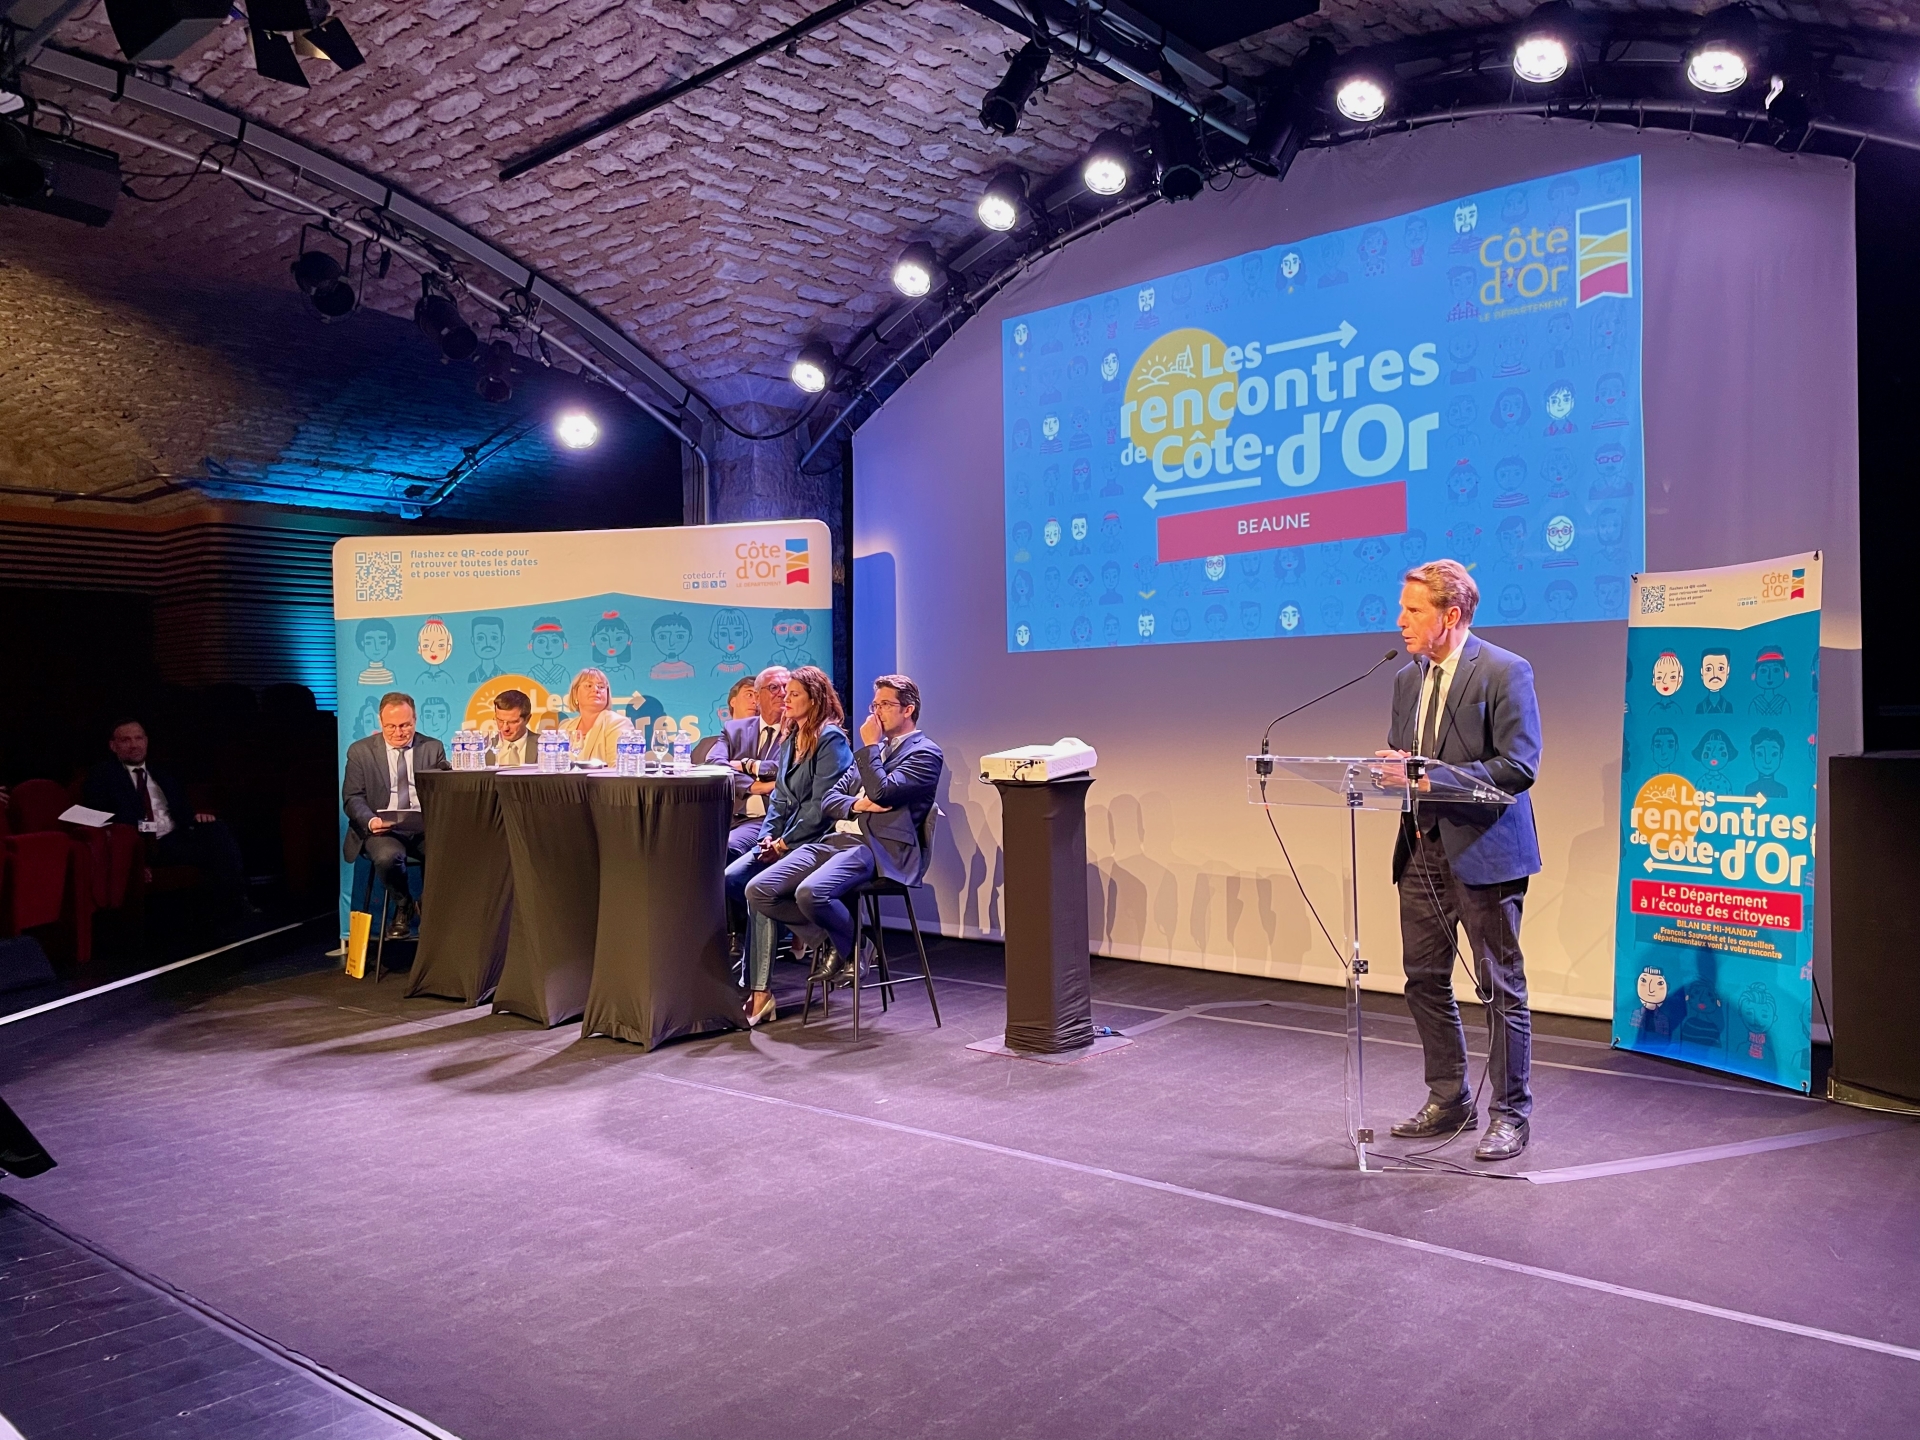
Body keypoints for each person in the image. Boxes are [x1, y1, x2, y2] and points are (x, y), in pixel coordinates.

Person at [1377, 559, 1542, 1162]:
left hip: (1485, 851)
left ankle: (1510, 1115)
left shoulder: (1504, 670)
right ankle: (1449, 1099)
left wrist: (1430, 777)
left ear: (1451, 615)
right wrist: (1391, 771)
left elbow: (1519, 766)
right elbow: (1404, 761)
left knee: (1500, 986)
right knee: (1423, 979)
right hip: (1421, 850)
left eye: (1412, 610)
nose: (1401, 621)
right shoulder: (1407, 679)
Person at [745, 674, 943, 1001]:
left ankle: (848, 945)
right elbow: (830, 800)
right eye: (874, 704)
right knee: (759, 889)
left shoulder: (925, 753)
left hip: (878, 847)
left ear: (908, 709)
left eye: (885, 704)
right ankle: (847, 944)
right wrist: (858, 804)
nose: (876, 712)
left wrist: (870, 749)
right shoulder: (872, 752)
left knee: (811, 892)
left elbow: (882, 792)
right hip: (837, 839)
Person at [723, 667, 853, 1026]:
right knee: (733, 878)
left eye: (794, 694)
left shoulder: (831, 740)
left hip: (818, 840)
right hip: (783, 838)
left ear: (814, 699)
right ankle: (818, 937)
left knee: (759, 890)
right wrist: (767, 838)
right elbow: (779, 799)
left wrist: (785, 843)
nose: (785, 699)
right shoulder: (791, 737)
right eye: (785, 693)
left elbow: (822, 806)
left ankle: (759, 992)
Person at [82, 719, 250, 918]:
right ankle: (230, 909)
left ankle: (236, 903)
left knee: (217, 831)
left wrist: (196, 816)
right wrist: (136, 858)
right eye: (126, 740)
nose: (134, 745)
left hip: (175, 836)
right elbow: (100, 817)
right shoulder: (102, 777)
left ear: (146, 741)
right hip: (143, 843)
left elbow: (182, 809)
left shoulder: (162, 773)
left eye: (138, 738)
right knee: (214, 855)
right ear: (113, 746)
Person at [342, 693, 448, 939]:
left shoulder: (432, 748)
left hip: (423, 828)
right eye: (391, 726)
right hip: (382, 830)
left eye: (405, 725)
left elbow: (442, 794)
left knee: (452, 852)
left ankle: (429, 908)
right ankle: (403, 904)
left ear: (415, 720)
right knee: (388, 857)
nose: (399, 732)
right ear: (380, 722)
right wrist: (371, 821)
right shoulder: (361, 751)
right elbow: (352, 797)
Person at [713, 665, 790, 858]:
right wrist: (754, 786)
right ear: (757, 696)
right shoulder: (734, 729)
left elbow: (789, 767)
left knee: (724, 848)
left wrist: (750, 766)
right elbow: (715, 763)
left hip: (769, 818)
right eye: (774, 688)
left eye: (787, 688)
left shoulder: (798, 732)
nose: (782, 693)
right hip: (729, 815)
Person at [559, 667, 632, 767]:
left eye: (601, 687)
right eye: (589, 686)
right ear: (575, 693)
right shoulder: (565, 728)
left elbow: (618, 768)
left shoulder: (618, 723)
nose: (595, 689)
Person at [490, 689, 539, 767]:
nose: (505, 728)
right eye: (500, 720)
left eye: (512, 722)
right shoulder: (484, 747)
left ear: (527, 719)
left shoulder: (545, 747)